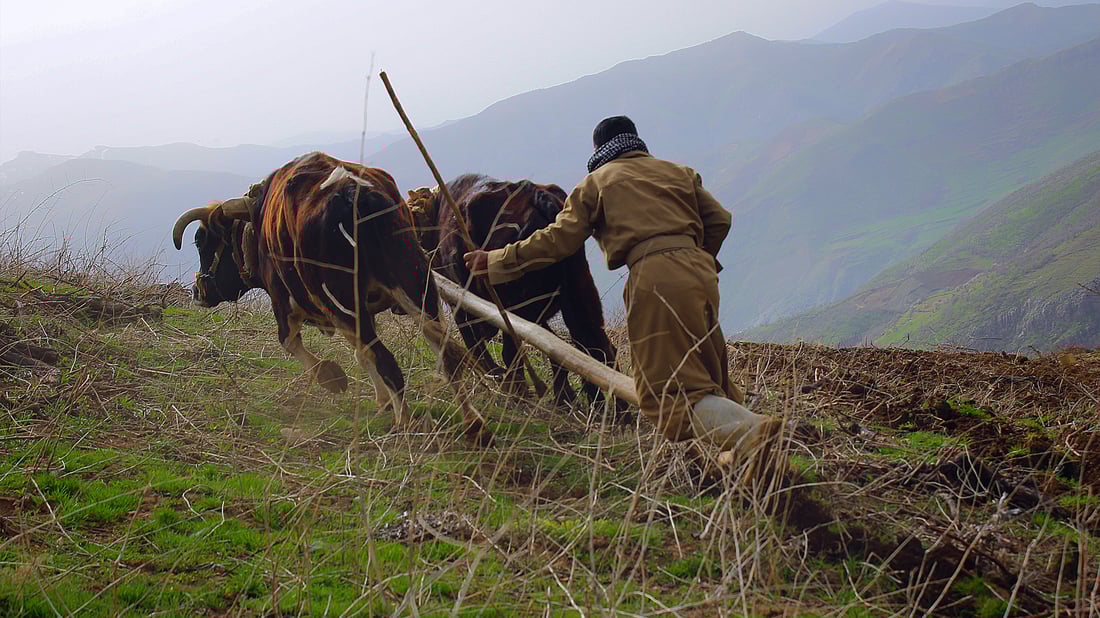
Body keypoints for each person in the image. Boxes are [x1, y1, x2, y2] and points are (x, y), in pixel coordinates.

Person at [464, 116, 782, 477]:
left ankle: (752, 431)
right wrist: (696, 259)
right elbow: (720, 220)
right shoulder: (678, 172)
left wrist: (497, 260)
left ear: (599, 150)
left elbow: (559, 240)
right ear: (636, 141)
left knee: (664, 394)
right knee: (708, 371)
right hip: (702, 272)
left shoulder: (596, 183)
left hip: (654, 277)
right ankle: (751, 461)